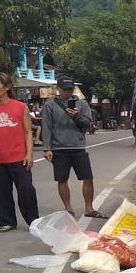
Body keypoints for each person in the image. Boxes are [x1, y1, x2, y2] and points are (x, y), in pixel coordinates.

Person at [0, 72, 39, 232]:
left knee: (26, 190)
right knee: (1, 192)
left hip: (19, 157)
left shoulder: (21, 107)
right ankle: (7, 221)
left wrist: (29, 154)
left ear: (6, 87)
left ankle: (34, 222)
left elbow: (28, 132)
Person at [41, 77, 107, 219]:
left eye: (70, 89)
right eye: (65, 90)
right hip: (59, 148)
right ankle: (68, 208)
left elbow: (89, 124)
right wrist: (46, 148)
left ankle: (89, 208)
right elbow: (46, 127)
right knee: (62, 179)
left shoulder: (82, 104)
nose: (68, 92)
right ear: (58, 89)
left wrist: (77, 116)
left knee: (87, 177)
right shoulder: (49, 105)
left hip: (78, 146)